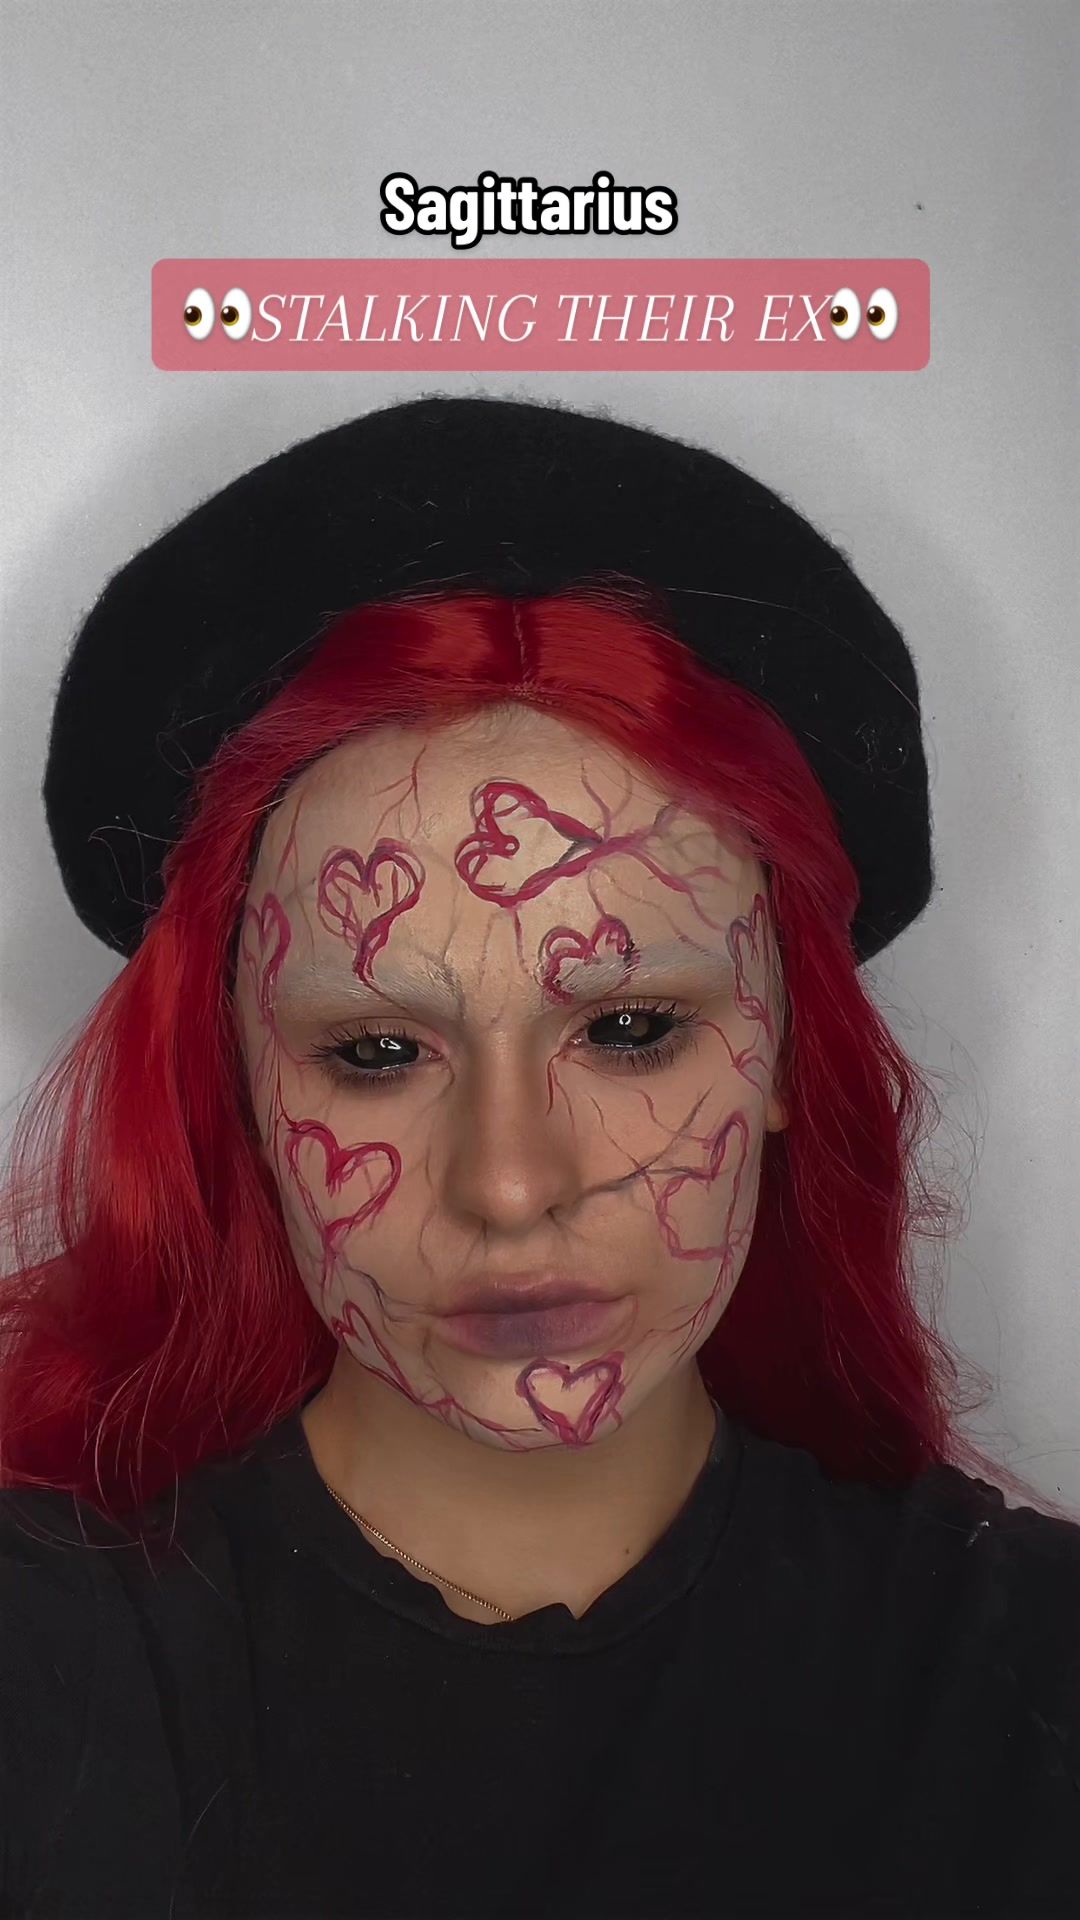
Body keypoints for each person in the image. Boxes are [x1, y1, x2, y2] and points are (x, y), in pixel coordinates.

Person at [1, 394, 1077, 1919]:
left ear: (786, 1053)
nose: (510, 1187)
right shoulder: (48, 1673)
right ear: (237, 1080)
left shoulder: (1028, 1679)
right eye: (376, 1053)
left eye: (631, 1028)